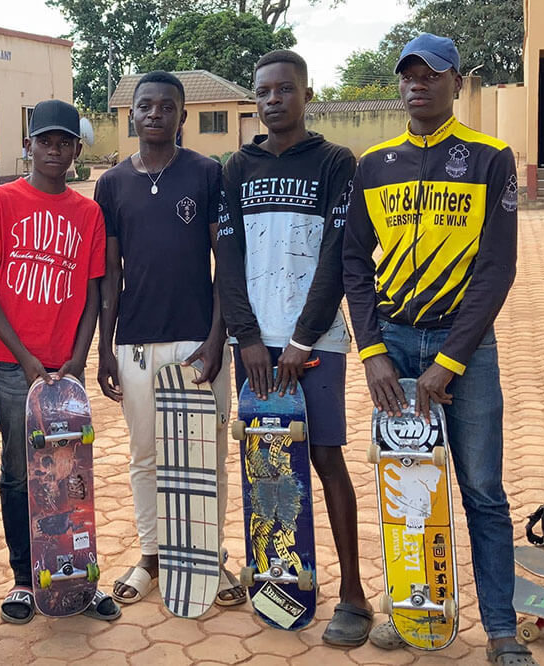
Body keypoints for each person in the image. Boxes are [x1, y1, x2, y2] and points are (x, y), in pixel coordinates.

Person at [343, 34, 534, 666]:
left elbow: (496, 267)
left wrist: (448, 361)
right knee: (406, 489)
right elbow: (353, 264)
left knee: (481, 488)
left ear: (458, 84)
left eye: (433, 74)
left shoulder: (491, 158)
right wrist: (371, 352)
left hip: (466, 349)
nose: (418, 84)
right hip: (394, 344)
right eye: (408, 75)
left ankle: (502, 630)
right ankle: (411, 607)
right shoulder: (374, 164)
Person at [216, 49, 373, 645]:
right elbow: (226, 259)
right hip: (255, 345)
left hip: (319, 342)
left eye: (284, 90)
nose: (272, 100)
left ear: (306, 94)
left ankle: (354, 595)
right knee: (266, 464)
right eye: (263, 92)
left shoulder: (336, 162)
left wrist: (302, 339)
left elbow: (339, 255)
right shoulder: (236, 167)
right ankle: (279, 577)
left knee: (326, 459)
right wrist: (250, 338)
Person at [0, 99, 119, 624]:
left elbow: (96, 291)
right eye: (44, 140)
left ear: (76, 150)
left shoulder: (88, 211)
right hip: (13, 366)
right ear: (28, 144)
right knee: (18, 472)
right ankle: (26, 579)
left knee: (72, 472)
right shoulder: (1, 202)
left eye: (64, 142)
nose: (54, 149)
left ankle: (75, 570)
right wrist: (24, 357)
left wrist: (79, 355)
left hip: (66, 371)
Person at [95, 71, 243, 607]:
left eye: (166, 107)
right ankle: (152, 557)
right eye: (145, 106)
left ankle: (211, 557)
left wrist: (216, 336)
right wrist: (104, 345)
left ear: (183, 116)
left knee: (205, 456)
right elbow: (109, 272)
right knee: (146, 455)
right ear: (132, 114)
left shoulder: (207, 174)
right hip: (136, 341)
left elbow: (225, 262)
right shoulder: (111, 183)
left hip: (198, 342)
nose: (155, 113)